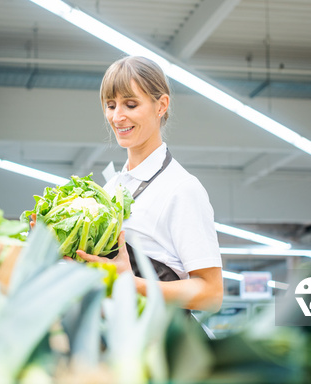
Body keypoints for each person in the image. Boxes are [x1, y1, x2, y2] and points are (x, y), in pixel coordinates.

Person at [75, 56, 223, 313]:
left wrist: (130, 283)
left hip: (158, 342)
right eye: (111, 105)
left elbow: (211, 294)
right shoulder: (111, 189)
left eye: (130, 104)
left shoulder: (181, 189)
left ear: (161, 105)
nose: (117, 116)